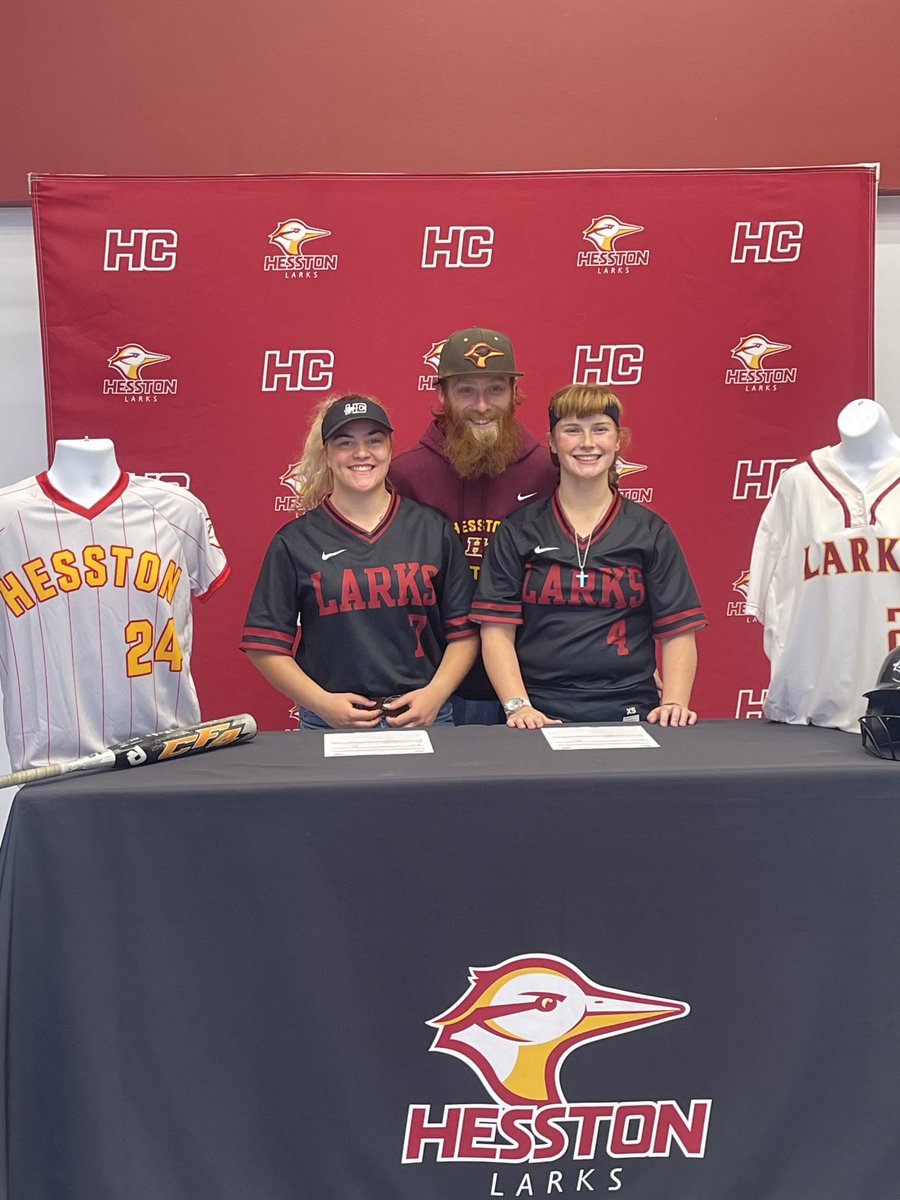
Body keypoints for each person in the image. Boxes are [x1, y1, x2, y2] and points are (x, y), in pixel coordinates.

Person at [470, 384, 706, 728]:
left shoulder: (649, 531)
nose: (587, 443)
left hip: (631, 707)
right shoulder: (518, 531)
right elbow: (496, 631)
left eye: (600, 429)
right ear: (551, 441)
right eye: (572, 430)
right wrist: (518, 706)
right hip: (540, 711)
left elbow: (678, 629)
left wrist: (674, 702)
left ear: (618, 440)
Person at [240, 394, 478, 730]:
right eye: (345, 442)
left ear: (390, 448)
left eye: (374, 440)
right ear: (326, 453)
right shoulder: (295, 541)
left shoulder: (431, 528)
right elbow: (264, 645)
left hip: (422, 716)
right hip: (332, 722)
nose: (361, 453)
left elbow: (465, 631)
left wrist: (436, 694)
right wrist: (321, 702)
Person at [389, 327, 558, 723]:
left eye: (495, 390)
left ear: (515, 392)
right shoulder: (406, 473)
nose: (482, 405)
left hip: (534, 684)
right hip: (433, 686)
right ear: (442, 394)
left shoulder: (548, 470)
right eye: (466, 391)